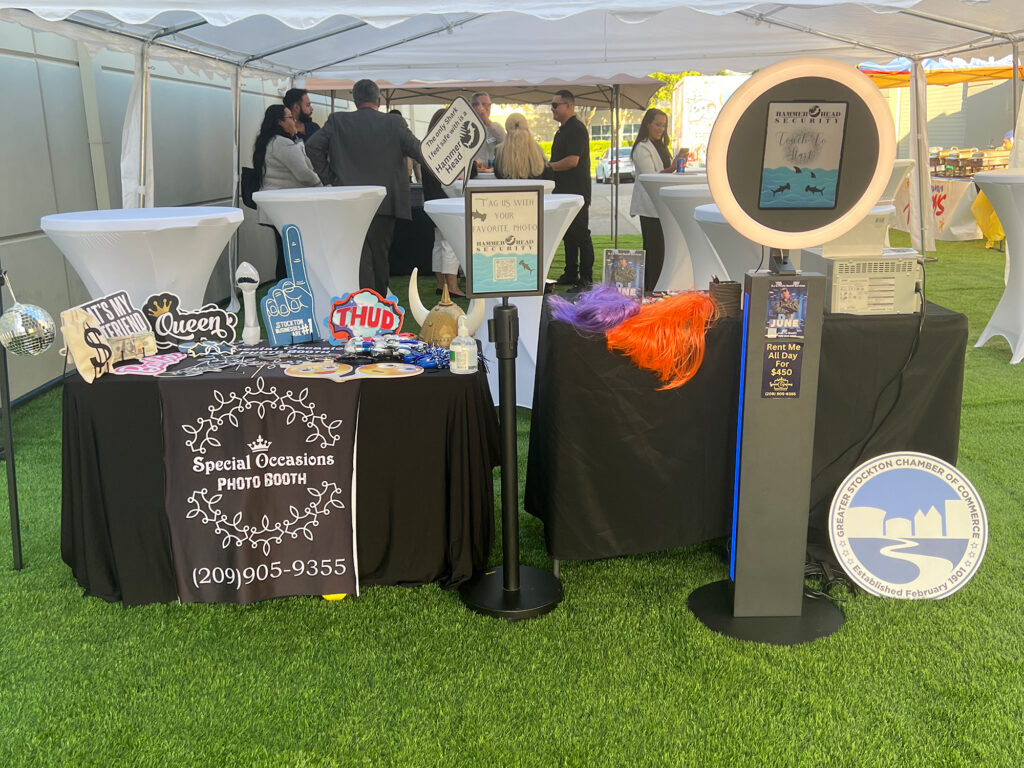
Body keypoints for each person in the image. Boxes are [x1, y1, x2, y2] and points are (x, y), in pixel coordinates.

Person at [306, 79, 422, 296]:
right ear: (378, 100)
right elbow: (420, 151)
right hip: (385, 202)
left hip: (349, 200)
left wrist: (330, 178)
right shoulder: (394, 123)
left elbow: (312, 146)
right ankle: (378, 304)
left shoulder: (337, 120)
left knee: (358, 256)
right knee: (380, 256)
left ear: (355, 99)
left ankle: (366, 305)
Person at [252, 104, 322, 280]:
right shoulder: (282, 143)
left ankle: (286, 288)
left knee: (286, 251)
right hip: (285, 208)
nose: (294, 121)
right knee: (290, 254)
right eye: (290, 118)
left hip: (277, 207)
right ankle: (288, 288)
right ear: (280, 122)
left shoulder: (270, 141)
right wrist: (322, 185)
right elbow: (305, 174)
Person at [629, 108, 685, 292]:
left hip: (662, 207)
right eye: (658, 125)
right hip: (649, 208)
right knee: (654, 251)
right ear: (648, 124)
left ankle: (659, 286)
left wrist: (677, 165)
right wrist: (673, 165)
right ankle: (650, 289)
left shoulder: (661, 146)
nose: (661, 129)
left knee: (662, 251)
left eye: (664, 126)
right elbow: (651, 177)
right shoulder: (642, 147)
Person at [546, 90, 595, 292]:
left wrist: (548, 167)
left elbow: (572, 161)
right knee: (568, 235)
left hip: (577, 192)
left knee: (580, 234)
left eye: (555, 105)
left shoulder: (576, 129)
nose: (552, 110)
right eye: (552, 105)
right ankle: (571, 272)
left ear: (569, 106)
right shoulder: (563, 129)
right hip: (565, 192)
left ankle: (586, 278)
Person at [421, 108, 465, 298]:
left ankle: (441, 284)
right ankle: (453, 287)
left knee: (439, 244)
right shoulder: (445, 148)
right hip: (446, 199)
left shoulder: (427, 147)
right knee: (450, 244)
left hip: (431, 199)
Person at [494, 113, 546, 180]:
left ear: (507, 128)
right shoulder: (538, 150)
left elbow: (497, 174)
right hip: (533, 190)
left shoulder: (499, 151)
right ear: (526, 126)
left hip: (508, 189)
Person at [470, 92, 506, 171]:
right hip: (473, 174)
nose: (487, 108)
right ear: (473, 106)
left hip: (491, 174)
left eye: (489, 105)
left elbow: (505, 144)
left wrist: (487, 122)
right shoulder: (467, 127)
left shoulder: (495, 127)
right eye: (483, 104)